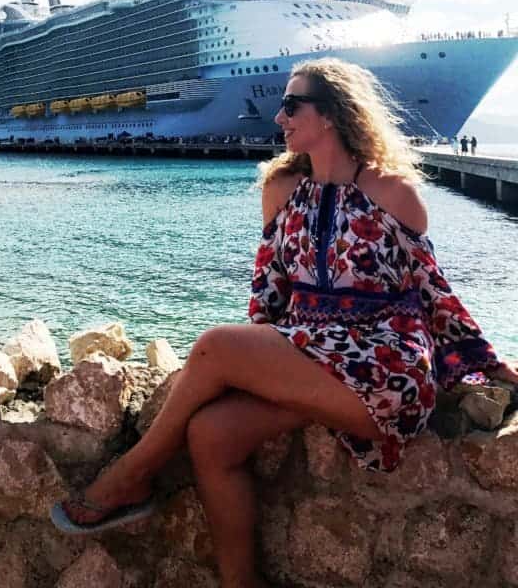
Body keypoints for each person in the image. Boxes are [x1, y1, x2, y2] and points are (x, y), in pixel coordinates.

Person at [50, 58, 517, 588]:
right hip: (312, 356)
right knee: (210, 435)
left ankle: (129, 476)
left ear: (333, 115)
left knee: (214, 346)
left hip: (385, 368)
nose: (279, 118)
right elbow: (268, 297)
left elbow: (434, 293)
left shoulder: (393, 193)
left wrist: (491, 364)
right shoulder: (282, 191)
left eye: (293, 106)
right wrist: (256, 363)